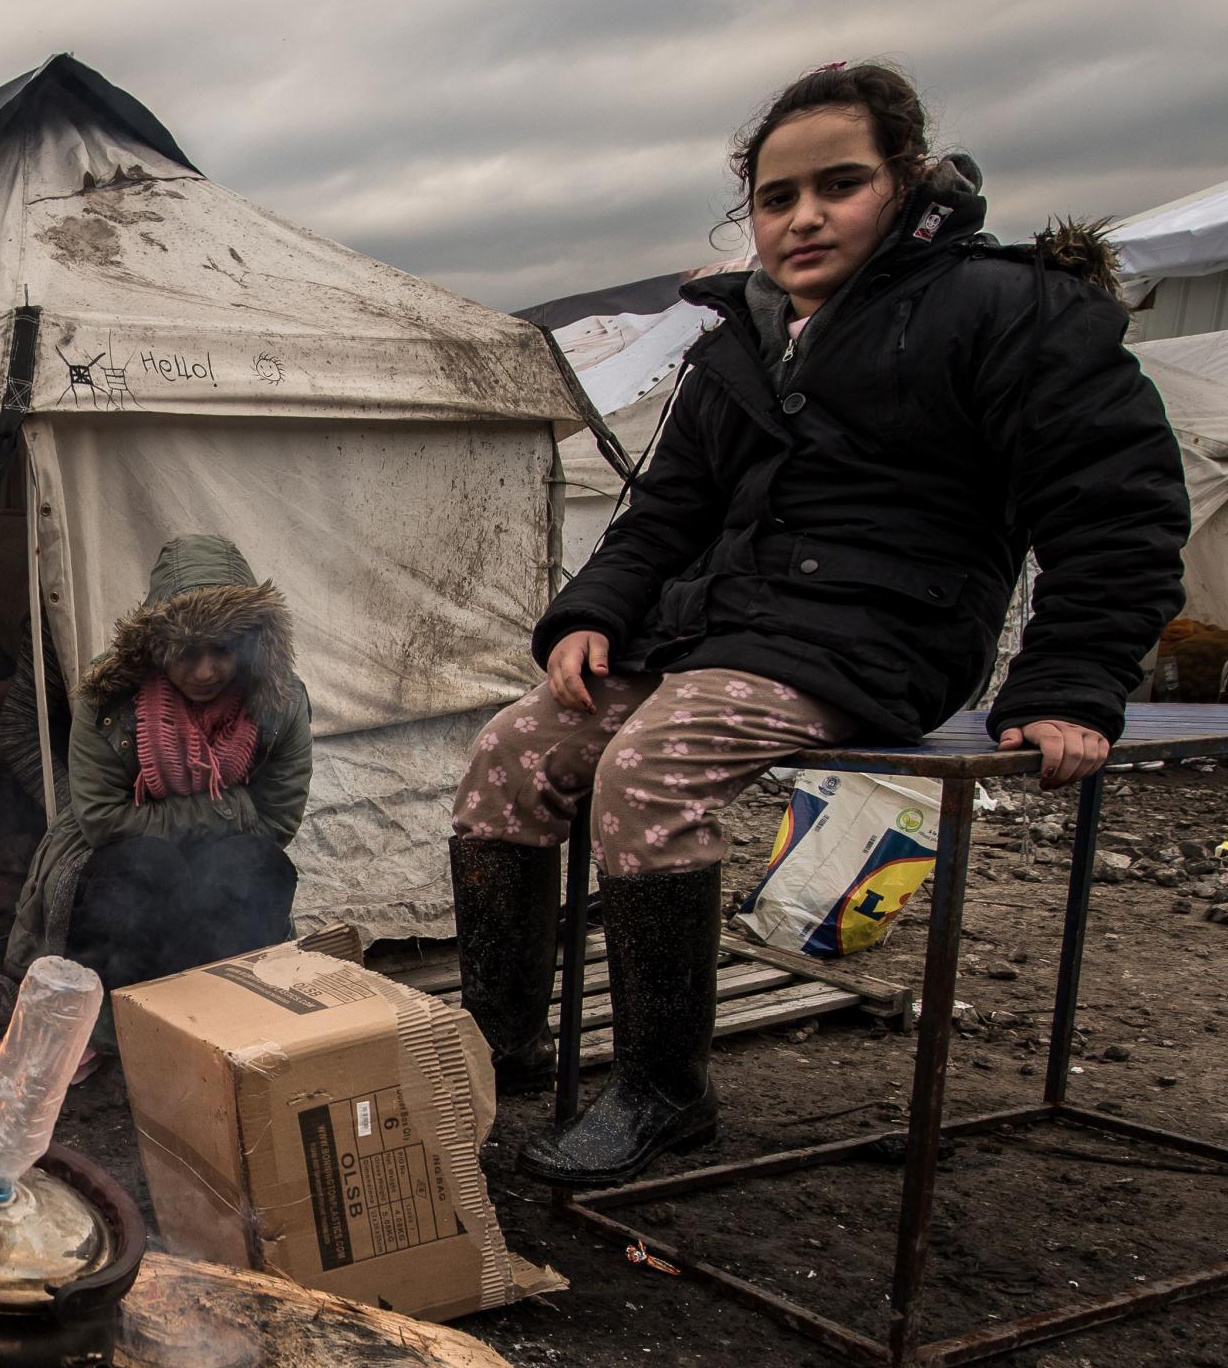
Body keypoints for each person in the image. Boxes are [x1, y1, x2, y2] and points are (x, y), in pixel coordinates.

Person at [452, 60, 1187, 1186]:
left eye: (836, 185)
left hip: (886, 635)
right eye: (774, 197)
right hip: (724, 633)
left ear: (905, 181)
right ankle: (494, 1047)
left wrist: (1071, 683)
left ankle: (665, 1090)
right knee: (512, 752)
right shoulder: (740, 339)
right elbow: (665, 512)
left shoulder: (1003, 307)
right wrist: (588, 616)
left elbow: (1113, 501)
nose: (801, 218)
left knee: (646, 768)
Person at [8, 534, 311, 1004]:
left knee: (256, 866)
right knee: (145, 867)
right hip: (112, 857)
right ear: (155, 646)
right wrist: (230, 808)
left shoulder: (278, 700)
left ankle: (226, 1010)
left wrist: (208, 841)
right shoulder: (107, 696)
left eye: (222, 651)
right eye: (187, 652)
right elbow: (103, 820)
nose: (206, 671)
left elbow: (277, 821)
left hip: (223, 853)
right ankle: (119, 1019)